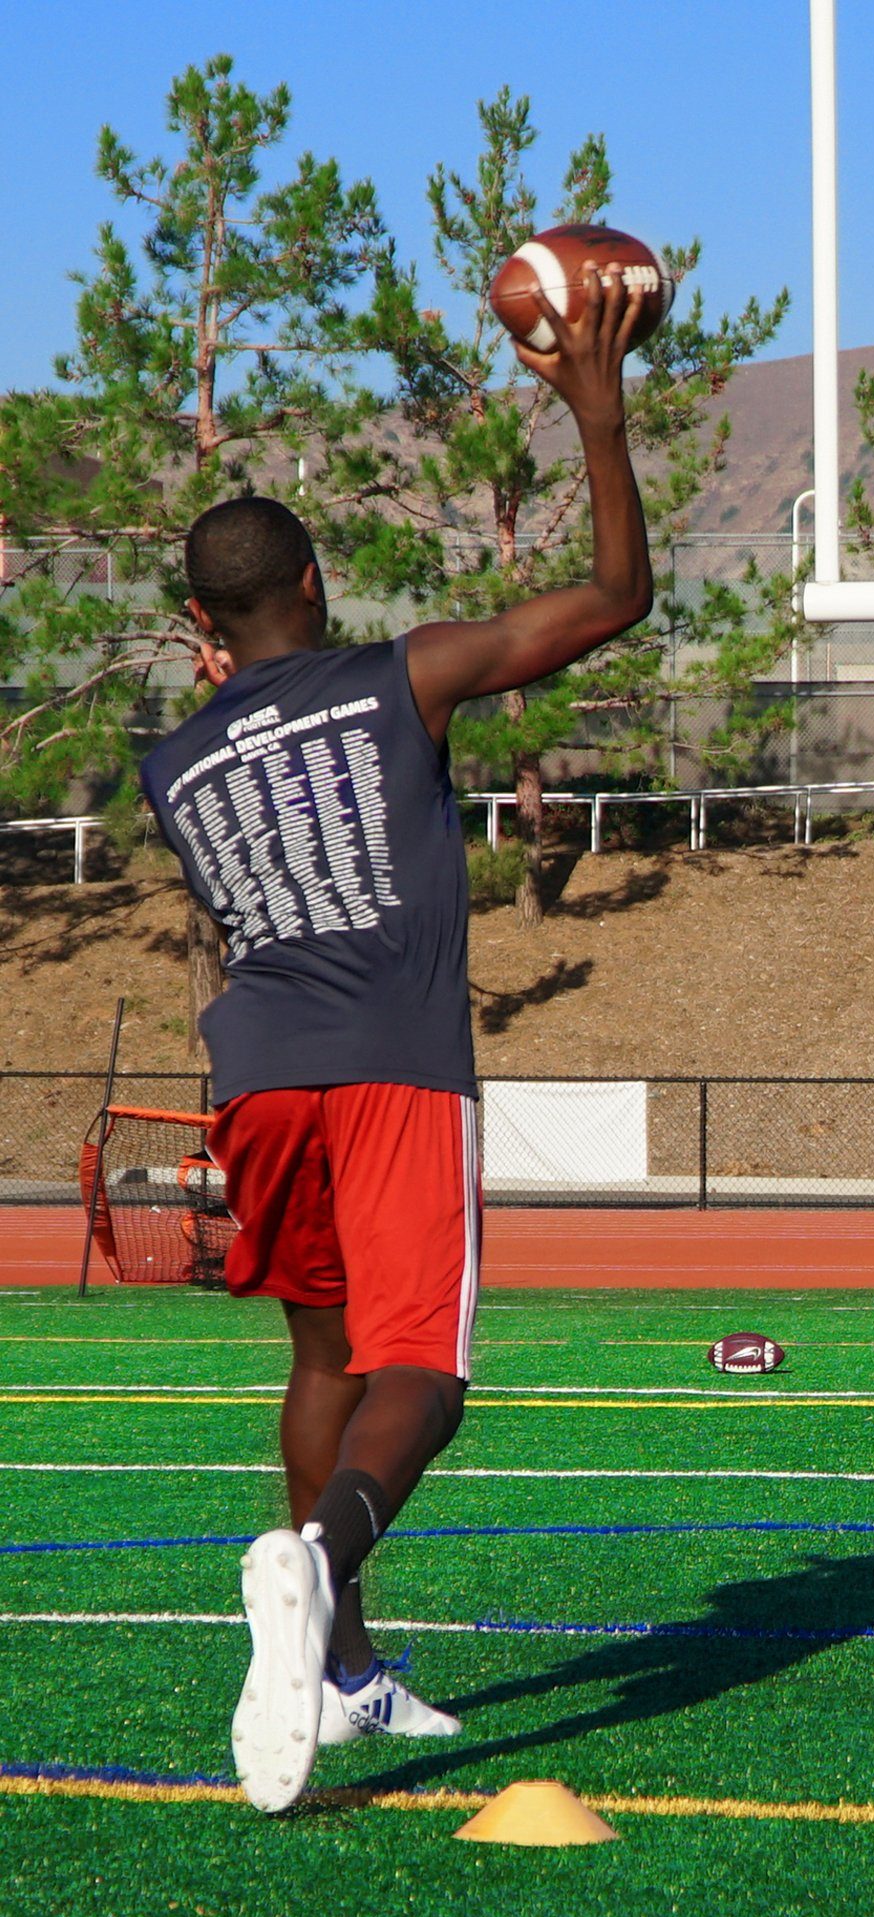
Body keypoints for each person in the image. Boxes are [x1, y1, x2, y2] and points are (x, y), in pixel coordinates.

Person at [139, 263, 655, 1814]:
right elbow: (616, 600)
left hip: (259, 1076)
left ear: (200, 623)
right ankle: (318, 1559)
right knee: (421, 1366)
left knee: (318, 1348)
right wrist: (598, 411)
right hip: (392, 1067)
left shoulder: (172, 764)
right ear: (314, 580)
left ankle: (347, 1670)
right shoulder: (397, 676)